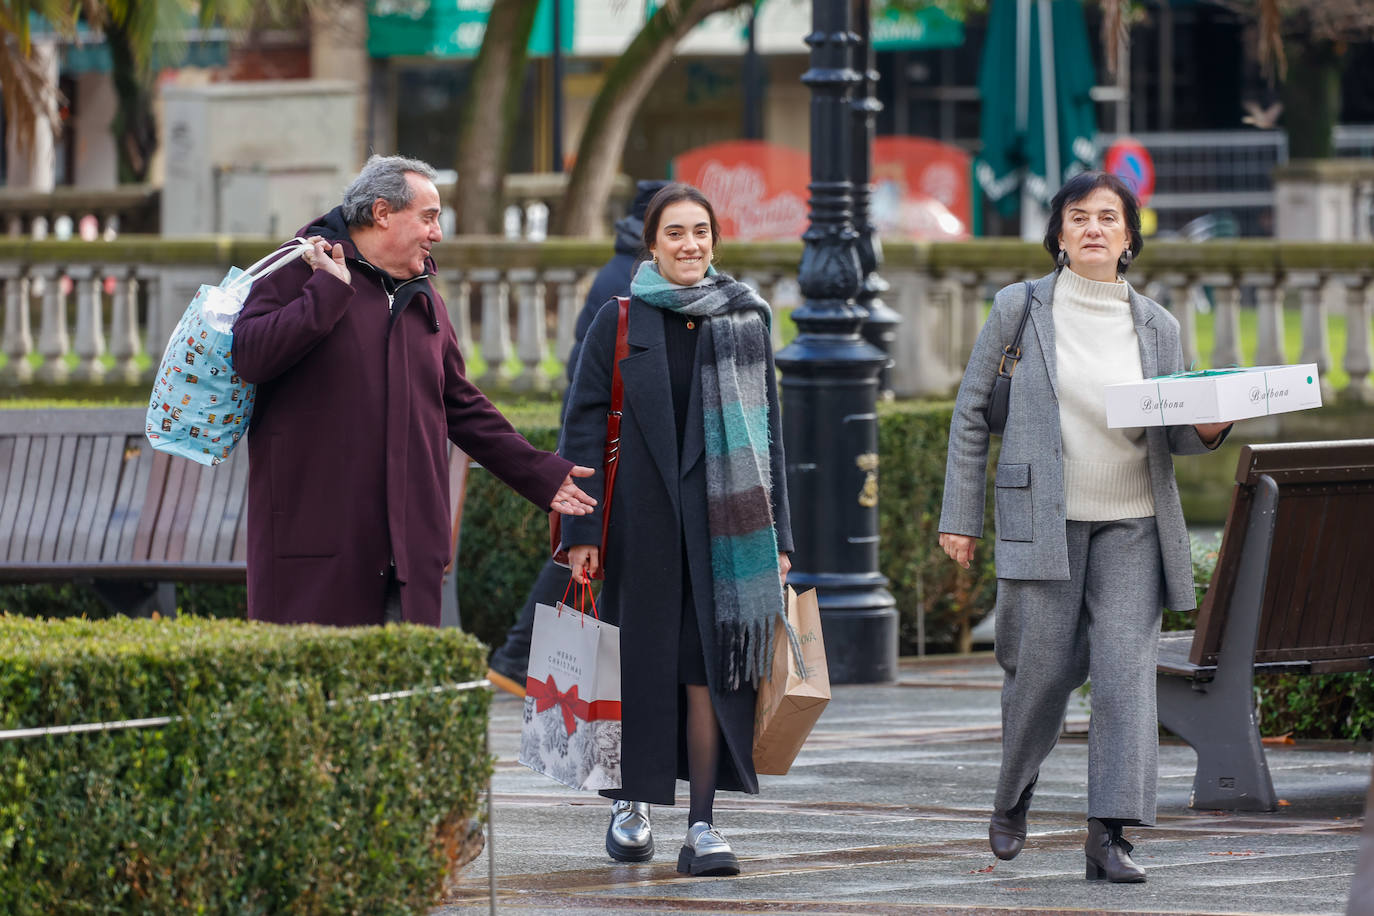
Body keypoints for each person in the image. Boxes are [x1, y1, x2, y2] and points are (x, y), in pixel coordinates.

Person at [937, 171, 1231, 883]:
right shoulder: (1019, 308)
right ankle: (1013, 795)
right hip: (1043, 519)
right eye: (1079, 217)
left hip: (1133, 523)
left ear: (1129, 237)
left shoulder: (1157, 325)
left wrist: (1211, 426)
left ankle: (1110, 835)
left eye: (1108, 217)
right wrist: (961, 517)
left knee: (1125, 679)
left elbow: (1178, 434)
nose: (1094, 228)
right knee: (1036, 677)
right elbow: (972, 411)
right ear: (1060, 235)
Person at [232, 154, 595, 628]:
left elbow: (461, 405)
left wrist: (540, 474)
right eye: (429, 217)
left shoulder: (424, 295)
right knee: (327, 699)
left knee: (402, 697)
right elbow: (250, 357)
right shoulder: (302, 267)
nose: (437, 233)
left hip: (407, 555)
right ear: (383, 213)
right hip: (316, 552)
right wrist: (326, 294)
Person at [560, 183, 792, 877]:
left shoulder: (746, 319)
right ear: (652, 244)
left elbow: (772, 441)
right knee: (634, 666)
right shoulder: (622, 319)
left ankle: (702, 824)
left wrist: (781, 541)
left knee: (703, 676)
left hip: (726, 536)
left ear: (713, 240)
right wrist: (581, 531)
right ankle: (629, 805)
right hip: (639, 524)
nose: (690, 245)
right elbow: (582, 422)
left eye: (701, 232)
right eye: (676, 234)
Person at [486, 178, 670, 698]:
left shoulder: (622, 269)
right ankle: (519, 654)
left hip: (605, 444)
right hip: (612, 449)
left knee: (582, 553)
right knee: (580, 553)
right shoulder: (634, 281)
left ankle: (517, 655)